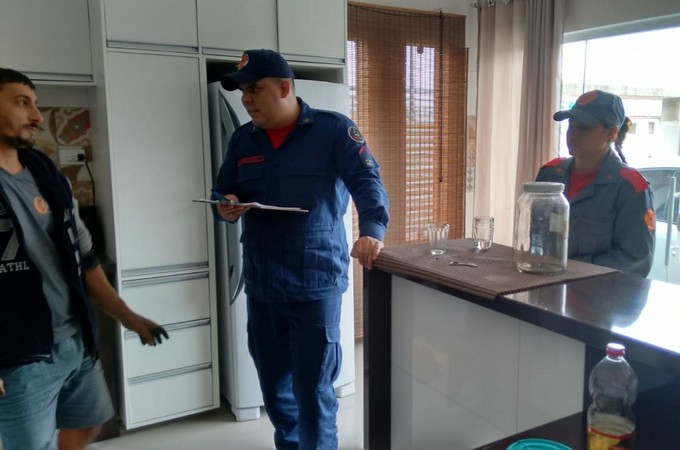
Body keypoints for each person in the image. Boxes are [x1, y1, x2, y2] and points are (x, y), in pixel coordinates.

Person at [211, 49, 390, 449]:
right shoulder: (242, 139)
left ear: (283, 88)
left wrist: (372, 231)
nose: (246, 99)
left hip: (314, 285)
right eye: (242, 92)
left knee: (313, 395)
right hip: (262, 286)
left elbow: (368, 183)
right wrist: (226, 204)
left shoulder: (333, 130)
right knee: (275, 393)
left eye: (254, 89)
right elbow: (223, 190)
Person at [0, 68, 168, 450]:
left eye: (36, 104)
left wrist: (128, 316)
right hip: (18, 355)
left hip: (74, 337)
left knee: (89, 422)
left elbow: (85, 258)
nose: (37, 116)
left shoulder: (47, 175)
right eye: (22, 102)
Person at [535, 90, 655, 277]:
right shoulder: (550, 174)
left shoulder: (630, 188)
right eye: (571, 125)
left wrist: (568, 269)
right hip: (546, 284)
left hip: (598, 293)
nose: (572, 134)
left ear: (611, 133)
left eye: (584, 127)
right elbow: (535, 235)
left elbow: (635, 261)